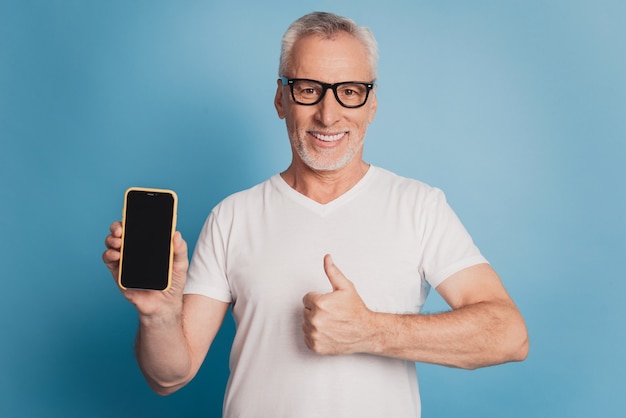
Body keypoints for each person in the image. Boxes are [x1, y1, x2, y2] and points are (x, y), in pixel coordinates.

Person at [103, 11, 528, 418]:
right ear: (281, 99)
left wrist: (371, 331)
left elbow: (509, 335)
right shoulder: (232, 217)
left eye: (349, 90)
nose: (329, 114)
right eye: (309, 89)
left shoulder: (419, 207)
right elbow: (168, 377)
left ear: (372, 104)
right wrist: (158, 314)